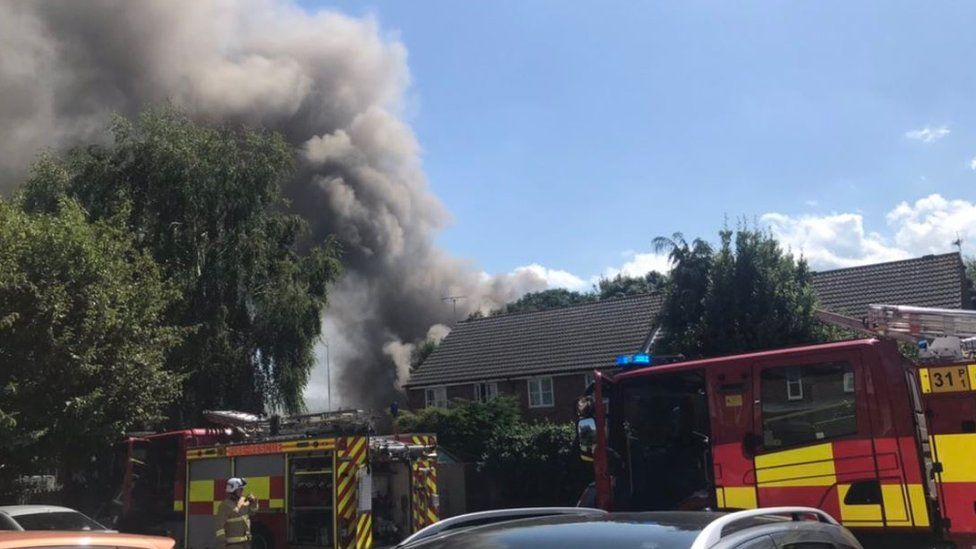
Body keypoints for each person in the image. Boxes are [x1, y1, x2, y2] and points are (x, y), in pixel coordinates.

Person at [215, 477, 259, 548]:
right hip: (232, 545)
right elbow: (219, 526)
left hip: (245, 543)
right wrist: (223, 543)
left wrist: (254, 502)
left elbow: (252, 512)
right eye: (240, 489)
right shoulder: (225, 505)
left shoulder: (244, 501)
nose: (242, 491)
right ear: (233, 490)